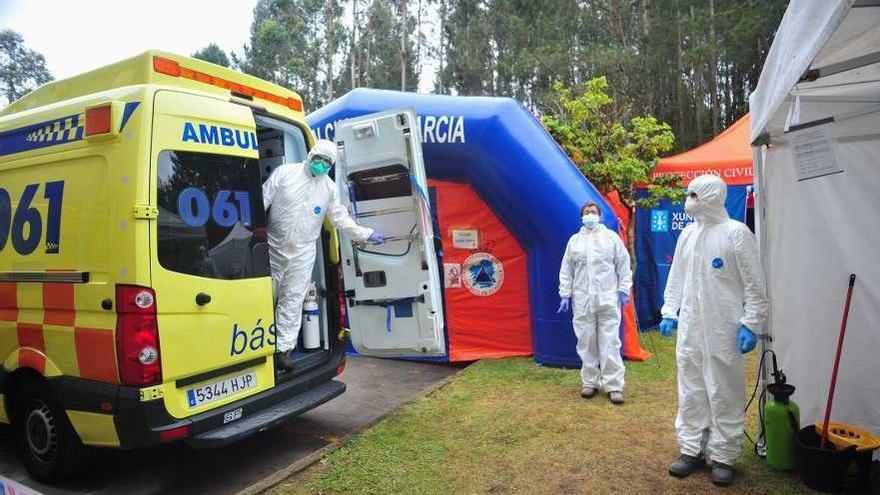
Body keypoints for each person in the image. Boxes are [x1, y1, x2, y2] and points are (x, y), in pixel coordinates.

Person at [659, 174, 767, 487]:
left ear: (709, 196)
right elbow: (676, 277)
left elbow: (754, 283)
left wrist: (750, 322)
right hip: (691, 328)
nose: (688, 199)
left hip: (724, 328)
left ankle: (724, 455)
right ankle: (691, 448)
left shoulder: (736, 234)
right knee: (691, 388)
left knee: (724, 390)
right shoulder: (687, 236)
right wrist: (670, 312)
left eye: (694, 194)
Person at [263, 139, 385, 371]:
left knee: (293, 299)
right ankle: (258, 346)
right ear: (310, 155)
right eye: (319, 159)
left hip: (303, 252)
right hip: (273, 248)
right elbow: (263, 198)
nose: (321, 164)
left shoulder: (328, 188)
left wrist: (365, 234)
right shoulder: (285, 174)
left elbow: (339, 218)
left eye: (326, 162)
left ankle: (283, 350)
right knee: (263, 297)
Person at [558, 201, 632, 405]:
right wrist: (565, 294)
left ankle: (614, 385)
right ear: (581, 217)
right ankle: (590, 382)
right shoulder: (575, 241)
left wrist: (624, 289)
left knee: (610, 342)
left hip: (608, 297)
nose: (589, 214)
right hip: (582, 300)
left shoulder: (611, 238)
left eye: (593, 212)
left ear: (600, 215)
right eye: (586, 212)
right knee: (586, 341)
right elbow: (567, 269)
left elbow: (623, 265)